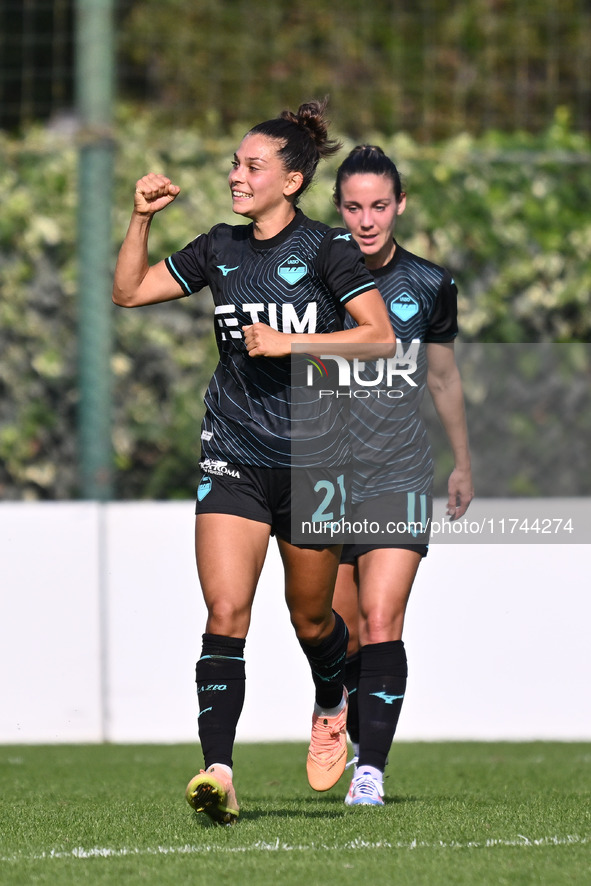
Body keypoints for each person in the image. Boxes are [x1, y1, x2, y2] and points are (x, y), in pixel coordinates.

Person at [112, 103, 396, 825]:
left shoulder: (330, 250)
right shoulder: (217, 248)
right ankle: (218, 771)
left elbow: (378, 339)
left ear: (292, 179)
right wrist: (140, 218)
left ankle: (331, 701)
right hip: (232, 451)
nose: (235, 175)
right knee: (225, 610)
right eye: (234, 164)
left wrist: (294, 345)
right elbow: (128, 291)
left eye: (251, 166)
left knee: (309, 620)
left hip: (318, 461)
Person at [330, 145, 474, 806]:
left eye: (378, 205)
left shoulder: (428, 285)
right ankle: (340, 715)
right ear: (338, 209)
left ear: (399, 205)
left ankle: (370, 769)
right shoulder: (311, 278)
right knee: (334, 635)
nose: (366, 219)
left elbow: (442, 378)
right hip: (322, 477)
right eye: (354, 206)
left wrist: (462, 463)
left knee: (381, 615)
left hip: (399, 472)